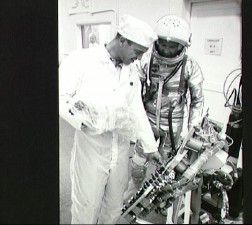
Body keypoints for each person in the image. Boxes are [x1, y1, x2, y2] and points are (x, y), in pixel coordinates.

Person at [59, 15, 163, 224]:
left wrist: (150, 147)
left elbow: (137, 111)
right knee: (86, 206)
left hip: (120, 149)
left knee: (115, 206)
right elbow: (60, 96)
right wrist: (86, 120)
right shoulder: (82, 60)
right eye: (138, 52)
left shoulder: (131, 72)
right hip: (91, 149)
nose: (139, 59)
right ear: (122, 41)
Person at [124, 15, 205, 205]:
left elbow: (197, 100)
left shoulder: (190, 66)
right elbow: (133, 89)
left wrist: (193, 127)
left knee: (169, 169)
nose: (167, 50)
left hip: (173, 126)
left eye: (172, 46)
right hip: (148, 121)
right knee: (137, 166)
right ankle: (130, 201)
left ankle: (165, 205)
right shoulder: (146, 60)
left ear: (182, 46)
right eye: (163, 44)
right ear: (156, 42)